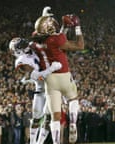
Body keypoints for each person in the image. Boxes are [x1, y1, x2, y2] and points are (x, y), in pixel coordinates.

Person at [30, 6, 84, 144]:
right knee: (73, 99)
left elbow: (55, 38)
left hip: (50, 81)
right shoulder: (56, 39)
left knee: (55, 116)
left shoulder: (35, 42)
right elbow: (79, 45)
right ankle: (73, 123)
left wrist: (63, 28)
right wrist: (76, 27)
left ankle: (56, 142)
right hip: (63, 75)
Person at [9, 37, 62, 144]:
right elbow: (38, 76)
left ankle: (40, 142)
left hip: (52, 88)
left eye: (25, 44)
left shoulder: (34, 50)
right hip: (40, 89)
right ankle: (32, 142)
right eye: (23, 46)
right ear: (17, 51)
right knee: (36, 118)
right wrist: (52, 68)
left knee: (48, 118)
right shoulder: (21, 61)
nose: (26, 46)